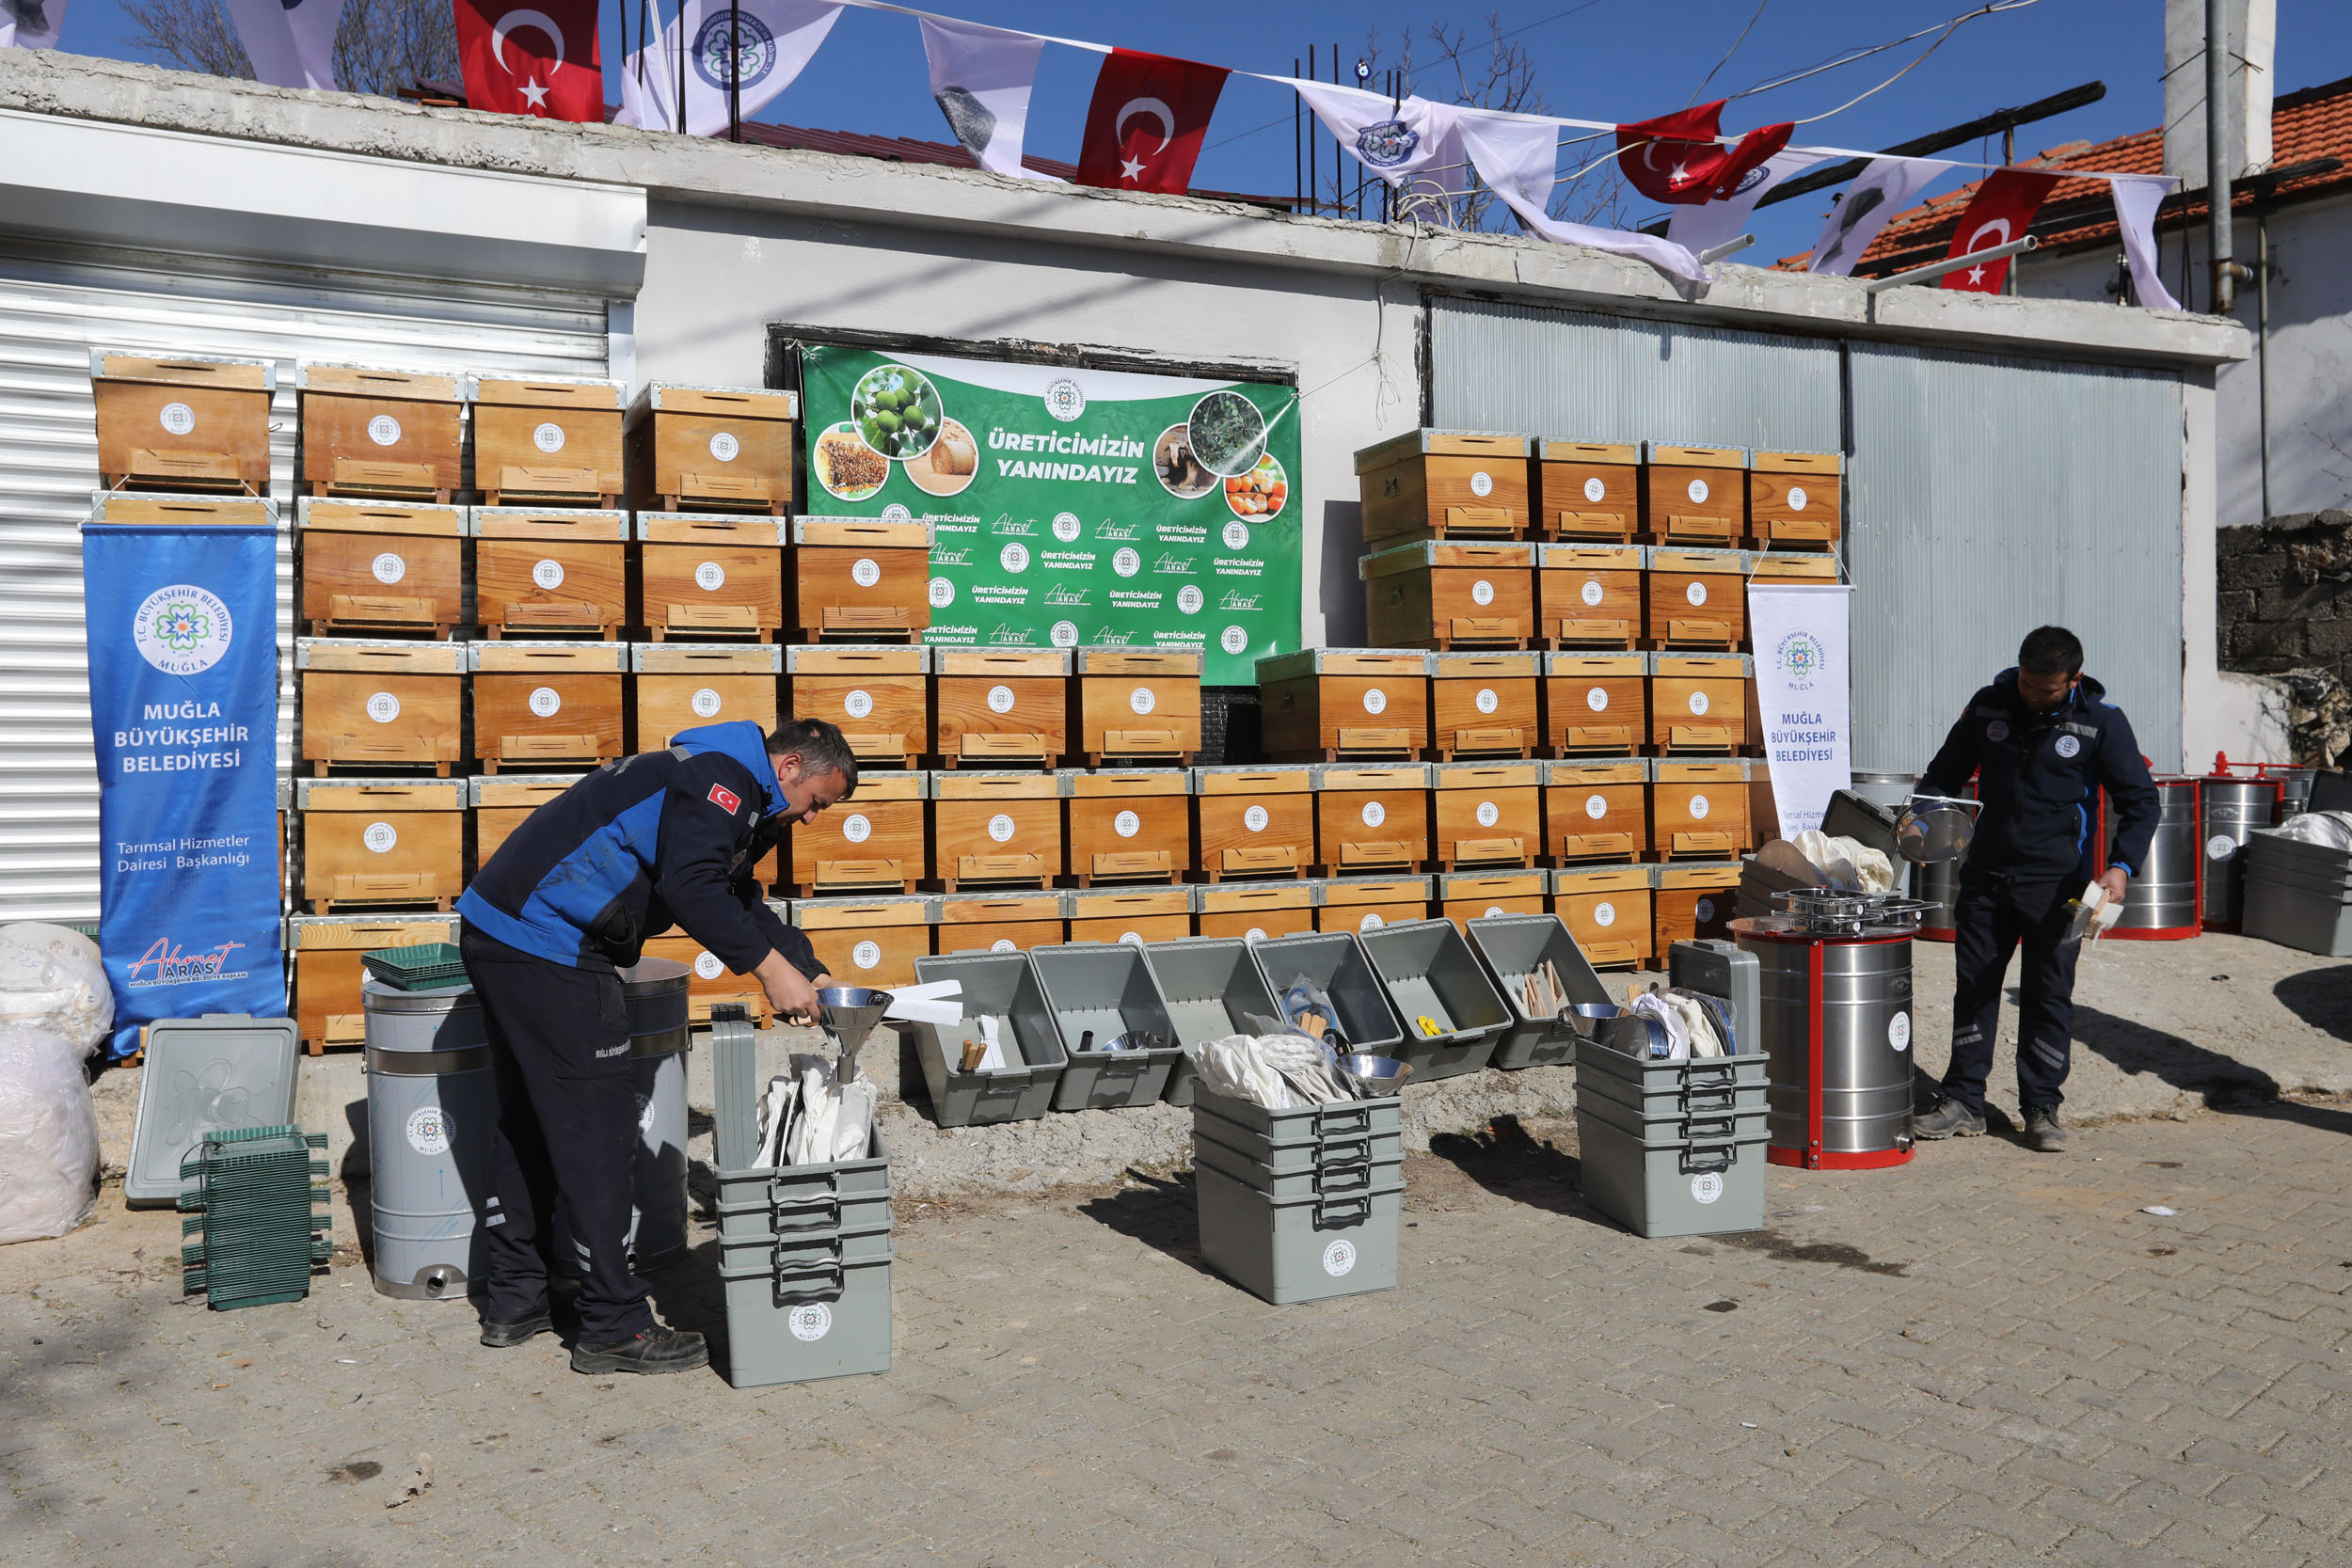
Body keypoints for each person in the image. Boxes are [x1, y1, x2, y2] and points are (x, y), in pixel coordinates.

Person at [455, 718, 857, 1374]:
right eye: (818, 801)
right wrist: (767, 969)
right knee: (599, 1129)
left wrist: (807, 969)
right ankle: (613, 1324)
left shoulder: (732, 786)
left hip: (503, 930)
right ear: (788, 768)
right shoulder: (718, 780)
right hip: (543, 942)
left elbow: (735, 895)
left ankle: (516, 1296)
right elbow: (691, 886)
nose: (812, 818)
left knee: (530, 1117)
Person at [1912, 626, 2157, 1153]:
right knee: (1974, 988)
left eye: (2045, 689)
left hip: (2062, 889)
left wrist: (2121, 867)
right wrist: (1925, 816)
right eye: (2026, 683)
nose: (2032, 695)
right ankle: (1963, 1102)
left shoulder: (2101, 724)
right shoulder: (1987, 709)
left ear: (2075, 678)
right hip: (1987, 881)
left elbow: (2141, 801)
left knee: (2048, 995)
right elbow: (1941, 776)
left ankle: (2041, 1106)